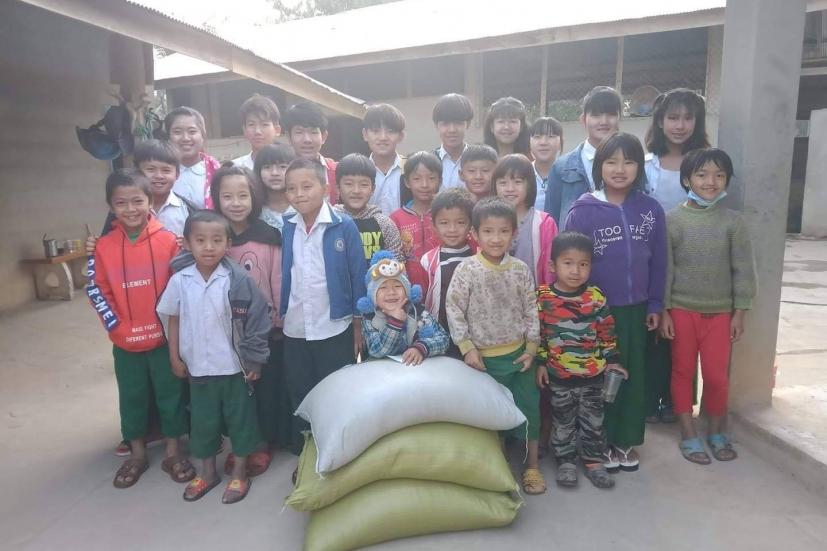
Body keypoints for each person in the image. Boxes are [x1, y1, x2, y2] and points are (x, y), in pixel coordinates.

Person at [564, 132, 667, 473]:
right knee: (598, 379)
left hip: (636, 311)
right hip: (597, 314)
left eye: (629, 161)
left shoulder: (650, 210)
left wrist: (654, 305)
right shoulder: (583, 210)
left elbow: (659, 262)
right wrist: (578, 310)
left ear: (640, 167)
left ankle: (624, 442)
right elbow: (571, 264)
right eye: (611, 161)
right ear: (599, 166)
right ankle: (598, 442)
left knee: (631, 378)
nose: (620, 169)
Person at [158, 210, 271, 504]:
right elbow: (173, 318)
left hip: (235, 369)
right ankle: (207, 472)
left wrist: (254, 360)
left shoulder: (237, 281)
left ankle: (240, 473)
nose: (209, 247)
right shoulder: (181, 280)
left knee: (240, 421)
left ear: (227, 243)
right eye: (200, 240)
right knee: (203, 422)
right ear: (187, 243)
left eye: (216, 240)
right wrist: (175, 357)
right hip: (199, 369)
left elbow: (257, 320)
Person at [87, 169, 191, 489]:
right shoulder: (102, 247)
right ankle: (137, 454)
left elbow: (181, 289)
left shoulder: (168, 242)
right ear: (110, 206)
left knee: (170, 395)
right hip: (125, 342)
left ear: (150, 202)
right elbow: (96, 289)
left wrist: (171, 330)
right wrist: (116, 327)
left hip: (163, 341)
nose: (130, 209)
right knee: (131, 398)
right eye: (121, 203)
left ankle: (173, 452)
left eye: (137, 201)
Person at [659, 148, 756, 464]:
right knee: (682, 372)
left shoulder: (733, 222)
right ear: (687, 179)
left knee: (717, 377)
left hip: (721, 315)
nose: (710, 181)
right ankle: (688, 431)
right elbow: (668, 269)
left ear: (727, 179)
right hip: (682, 312)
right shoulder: (672, 220)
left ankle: (716, 429)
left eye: (719, 175)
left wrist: (739, 311)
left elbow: (742, 268)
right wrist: (664, 311)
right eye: (701, 175)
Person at [445, 197, 544, 495]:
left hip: (520, 358)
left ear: (514, 234)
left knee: (529, 412)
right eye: (488, 231)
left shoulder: (521, 270)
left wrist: (531, 349)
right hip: (484, 361)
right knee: (491, 417)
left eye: (503, 231)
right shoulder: (467, 270)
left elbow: (531, 309)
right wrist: (467, 348)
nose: (496, 238)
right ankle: (498, 470)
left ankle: (532, 467)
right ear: (474, 234)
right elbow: (454, 309)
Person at [280, 158, 367, 459]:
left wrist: (358, 322)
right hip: (296, 325)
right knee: (300, 388)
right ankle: (306, 450)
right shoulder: (287, 225)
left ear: (326, 189)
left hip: (335, 323)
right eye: (291, 188)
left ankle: (337, 446)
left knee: (334, 388)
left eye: (307, 186)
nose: (299, 194)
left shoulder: (343, 226)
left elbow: (358, 274)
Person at [208, 165, 286, 475]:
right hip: (223, 330)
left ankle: (261, 444)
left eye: (243, 195)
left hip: (263, 329)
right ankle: (242, 441)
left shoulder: (269, 236)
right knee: (235, 391)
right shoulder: (212, 237)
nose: (236, 202)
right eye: (227, 196)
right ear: (216, 198)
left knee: (264, 388)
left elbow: (278, 280)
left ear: (254, 197)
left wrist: (279, 319)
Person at [536, 231, 627, 489]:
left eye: (583, 264)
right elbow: (538, 335)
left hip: (593, 376)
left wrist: (613, 360)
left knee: (593, 421)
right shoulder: (543, 297)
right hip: (558, 375)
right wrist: (541, 363)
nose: (576, 270)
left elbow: (607, 332)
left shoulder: (595, 297)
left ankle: (594, 461)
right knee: (562, 420)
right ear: (553, 266)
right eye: (568, 263)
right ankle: (565, 461)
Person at [642, 89, 710, 424]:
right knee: (655, 330)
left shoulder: (705, 164)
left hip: (691, 260)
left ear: (697, 122)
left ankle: (677, 401)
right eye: (672, 117)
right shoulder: (646, 165)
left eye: (687, 118)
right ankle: (652, 398)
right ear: (660, 121)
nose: (679, 125)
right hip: (652, 257)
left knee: (683, 334)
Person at [545, 86, 622, 225]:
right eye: (596, 115)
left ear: (619, 119)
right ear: (583, 120)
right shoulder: (561, 168)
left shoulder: (632, 163)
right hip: (574, 245)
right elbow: (552, 220)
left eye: (611, 114)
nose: (604, 121)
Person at [357, 250, 450, 364]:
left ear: (408, 291)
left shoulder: (418, 312)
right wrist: (395, 322)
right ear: (372, 295)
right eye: (383, 287)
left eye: (397, 285)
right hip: (383, 376)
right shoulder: (370, 319)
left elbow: (443, 339)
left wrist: (420, 348)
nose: (391, 292)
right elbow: (377, 350)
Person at [420, 188, 476, 359]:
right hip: (442, 334)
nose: (452, 229)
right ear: (434, 225)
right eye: (444, 223)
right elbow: (423, 300)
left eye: (460, 222)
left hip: (475, 338)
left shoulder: (479, 256)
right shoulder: (428, 261)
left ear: (471, 224)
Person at [492, 154, 558, 287]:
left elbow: (551, 270)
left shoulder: (544, 223)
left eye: (518, 182)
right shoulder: (487, 220)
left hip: (535, 300)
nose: (510, 188)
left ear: (530, 184)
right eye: (503, 182)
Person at [335, 153, 403, 262]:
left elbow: (397, 263)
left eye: (364, 184)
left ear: (372, 189)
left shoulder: (385, 224)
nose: (356, 191)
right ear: (338, 188)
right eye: (349, 184)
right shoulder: (331, 221)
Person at [390, 151, 441, 290]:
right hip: (408, 293)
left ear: (440, 181)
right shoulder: (395, 219)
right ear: (407, 182)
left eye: (431, 178)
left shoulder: (446, 216)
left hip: (442, 291)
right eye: (417, 179)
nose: (424, 184)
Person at [282, 102, 338, 204]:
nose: (307, 139)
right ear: (288, 137)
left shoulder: (338, 172)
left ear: (324, 136)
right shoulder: (280, 174)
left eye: (313, 132)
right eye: (299, 132)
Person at [166, 106, 221, 209]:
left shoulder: (218, 172)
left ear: (203, 136)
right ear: (168, 137)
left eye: (192, 131)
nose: (185, 138)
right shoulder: (160, 175)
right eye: (177, 132)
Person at [362, 103, 406, 215]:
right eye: (375, 131)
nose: (383, 138)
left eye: (390, 131)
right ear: (365, 134)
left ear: (401, 136)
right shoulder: (358, 172)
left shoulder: (411, 170)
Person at [432, 93, 474, 189]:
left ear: (468, 124)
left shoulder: (479, 160)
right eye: (445, 124)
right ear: (436, 126)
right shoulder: (429, 163)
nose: (452, 130)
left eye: (458, 123)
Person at [254, 143, 297, 231]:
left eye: (282, 167)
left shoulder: (303, 206)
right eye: (267, 167)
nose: (274, 173)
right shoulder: (253, 209)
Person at [232, 94, 281, 170]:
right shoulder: (235, 168)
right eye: (251, 124)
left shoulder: (289, 167)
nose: (257, 131)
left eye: (264, 124)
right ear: (244, 130)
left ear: (277, 130)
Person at [529, 116, 563, 211]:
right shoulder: (523, 173)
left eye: (551, 136)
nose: (543, 142)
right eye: (537, 137)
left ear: (561, 141)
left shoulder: (569, 173)